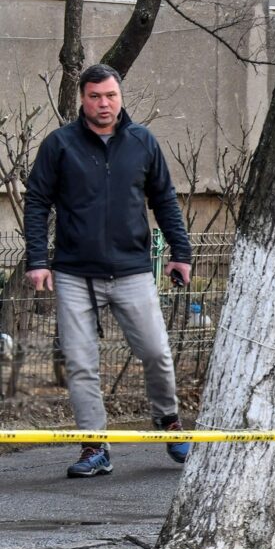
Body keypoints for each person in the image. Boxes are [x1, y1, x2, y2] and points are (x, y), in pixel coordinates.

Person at [24, 64, 193, 477]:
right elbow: (36, 203)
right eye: (95, 96)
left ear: (121, 96)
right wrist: (37, 261)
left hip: (132, 269)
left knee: (155, 351)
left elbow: (165, 200)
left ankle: (168, 421)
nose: (104, 103)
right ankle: (94, 446)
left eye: (110, 96)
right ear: (82, 98)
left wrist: (181, 252)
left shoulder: (142, 142)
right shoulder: (60, 145)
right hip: (74, 273)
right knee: (81, 362)